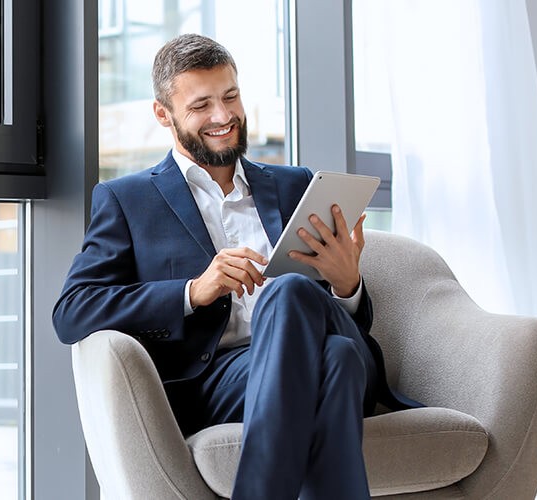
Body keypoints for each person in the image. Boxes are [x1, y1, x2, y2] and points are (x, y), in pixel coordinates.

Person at [53, 33, 417, 500]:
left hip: (328, 339)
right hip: (221, 380)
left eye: (230, 96)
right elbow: (72, 311)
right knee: (337, 361)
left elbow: (349, 316)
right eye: (201, 105)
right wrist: (193, 291)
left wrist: (348, 284)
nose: (223, 117)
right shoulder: (127, 200)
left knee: (291, 294)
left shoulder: (296, 186)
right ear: (164, 114)